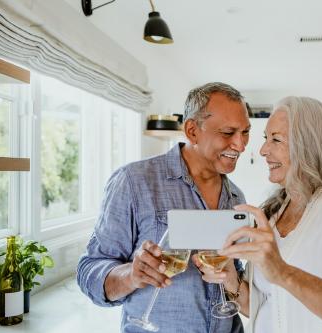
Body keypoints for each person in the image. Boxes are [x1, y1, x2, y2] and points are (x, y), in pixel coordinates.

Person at [193, 96, 322, 332]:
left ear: (309, 146)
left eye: (276, 139)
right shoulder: (274, 212)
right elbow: (263, 304)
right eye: (266, 138)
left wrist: (282, 271)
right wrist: (231, 278)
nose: (263, 150)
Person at [77, 82, 251, 333]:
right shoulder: (134, 181)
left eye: (245, 132)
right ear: (192, 130)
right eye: (228, 132)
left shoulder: (236, 197)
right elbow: (88, 270)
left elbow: (233, 277)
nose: (241, 144)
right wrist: (131, 275)